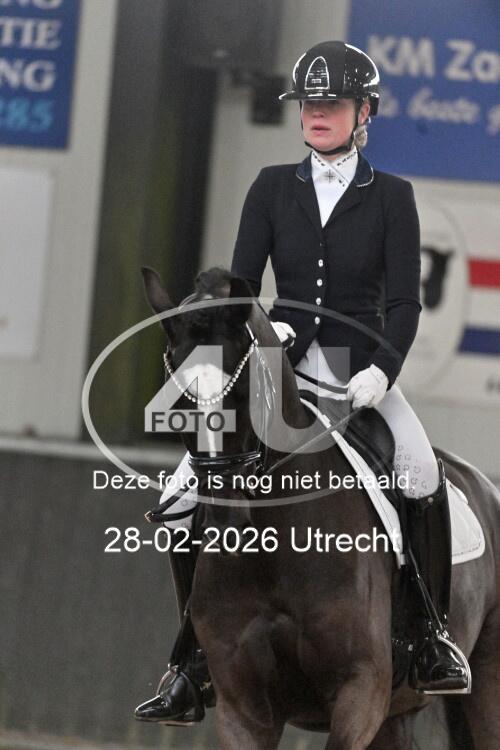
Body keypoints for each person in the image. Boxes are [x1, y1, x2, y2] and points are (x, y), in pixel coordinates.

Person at [134, 40, 470, 726]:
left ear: (364, 112)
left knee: (418, 471)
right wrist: (262, 331)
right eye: (310, 104)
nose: (317, 114)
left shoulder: (392, 198)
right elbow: (238, 290)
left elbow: (405, 304)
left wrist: (382, 371)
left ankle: (429, 634)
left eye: (333, 104)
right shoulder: (269, 187)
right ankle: (190, 659)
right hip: (274, 366)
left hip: (358, 367)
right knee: (180, 495)